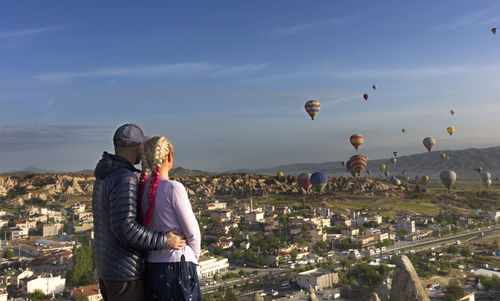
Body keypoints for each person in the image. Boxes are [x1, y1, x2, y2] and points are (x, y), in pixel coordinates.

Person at [92, 124, 187, 301]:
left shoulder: (103, 176)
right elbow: (125, 228)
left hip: (107, 269)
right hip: (125, 273)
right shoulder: (124, 178)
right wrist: (164, 240)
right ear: (138, 146)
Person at [139, 136, 202, 301]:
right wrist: (193, 258)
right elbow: (193, 232)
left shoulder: (141, 191)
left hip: (152, 267)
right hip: (179, 266)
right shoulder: (174, 188)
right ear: (169, 157)